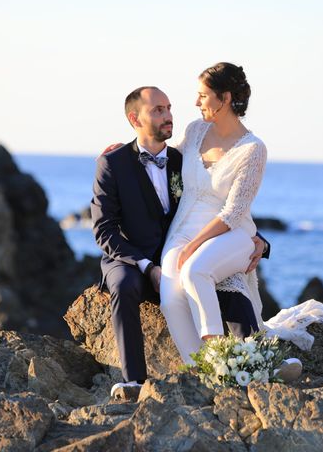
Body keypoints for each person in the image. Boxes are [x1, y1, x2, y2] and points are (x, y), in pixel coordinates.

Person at [90, 86, 269, 398]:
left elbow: (218, 202)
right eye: (157, 110)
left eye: (169, 107)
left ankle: (256, 362)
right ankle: (134, 381)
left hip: (179, 254)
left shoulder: (182, 159)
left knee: (225, 279)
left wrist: (258, 240)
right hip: (131, 259)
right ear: (135, 118)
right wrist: (148, 267)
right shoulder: (113, 163)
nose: (168, 115)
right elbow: (104, 229)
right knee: (123, 285)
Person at [160, 63, 323, 372]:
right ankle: (201, 370)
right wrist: (126, 151)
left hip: (231, 234)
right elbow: (165, 159)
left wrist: (193, 245)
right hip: (181, 231)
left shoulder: (253, 149)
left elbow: (234, 212)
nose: (197, 103)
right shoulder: (196, 131)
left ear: (224, 98)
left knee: (195, 270)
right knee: (170, 297)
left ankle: (221, 359)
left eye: (203, 96)